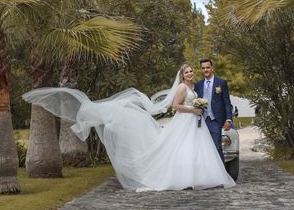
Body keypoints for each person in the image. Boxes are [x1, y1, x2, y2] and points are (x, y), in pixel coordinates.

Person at [22, 64, 235, 192]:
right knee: (179, 149)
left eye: (191, 71)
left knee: (195, 150)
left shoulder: (192, 87)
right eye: (187, 72)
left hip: (194, 124)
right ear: (181, 75)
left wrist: (198, 108)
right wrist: (193, 110)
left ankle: (200, 178)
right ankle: (181, 178)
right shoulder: (181, 88)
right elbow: (175, 106)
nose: (190, 74)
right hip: (186, 120)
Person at [194, 58, 233, 163]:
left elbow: (227, 102)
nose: (205, 70)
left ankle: (221, 176)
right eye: (203, 68)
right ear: (201, 69)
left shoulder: (221, 82)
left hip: (215, 121)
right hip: (201, 121)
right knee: (202, 149)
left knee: (216, 148)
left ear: (212, 68)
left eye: (208, 67)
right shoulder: (198, 85)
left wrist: (228, 119)